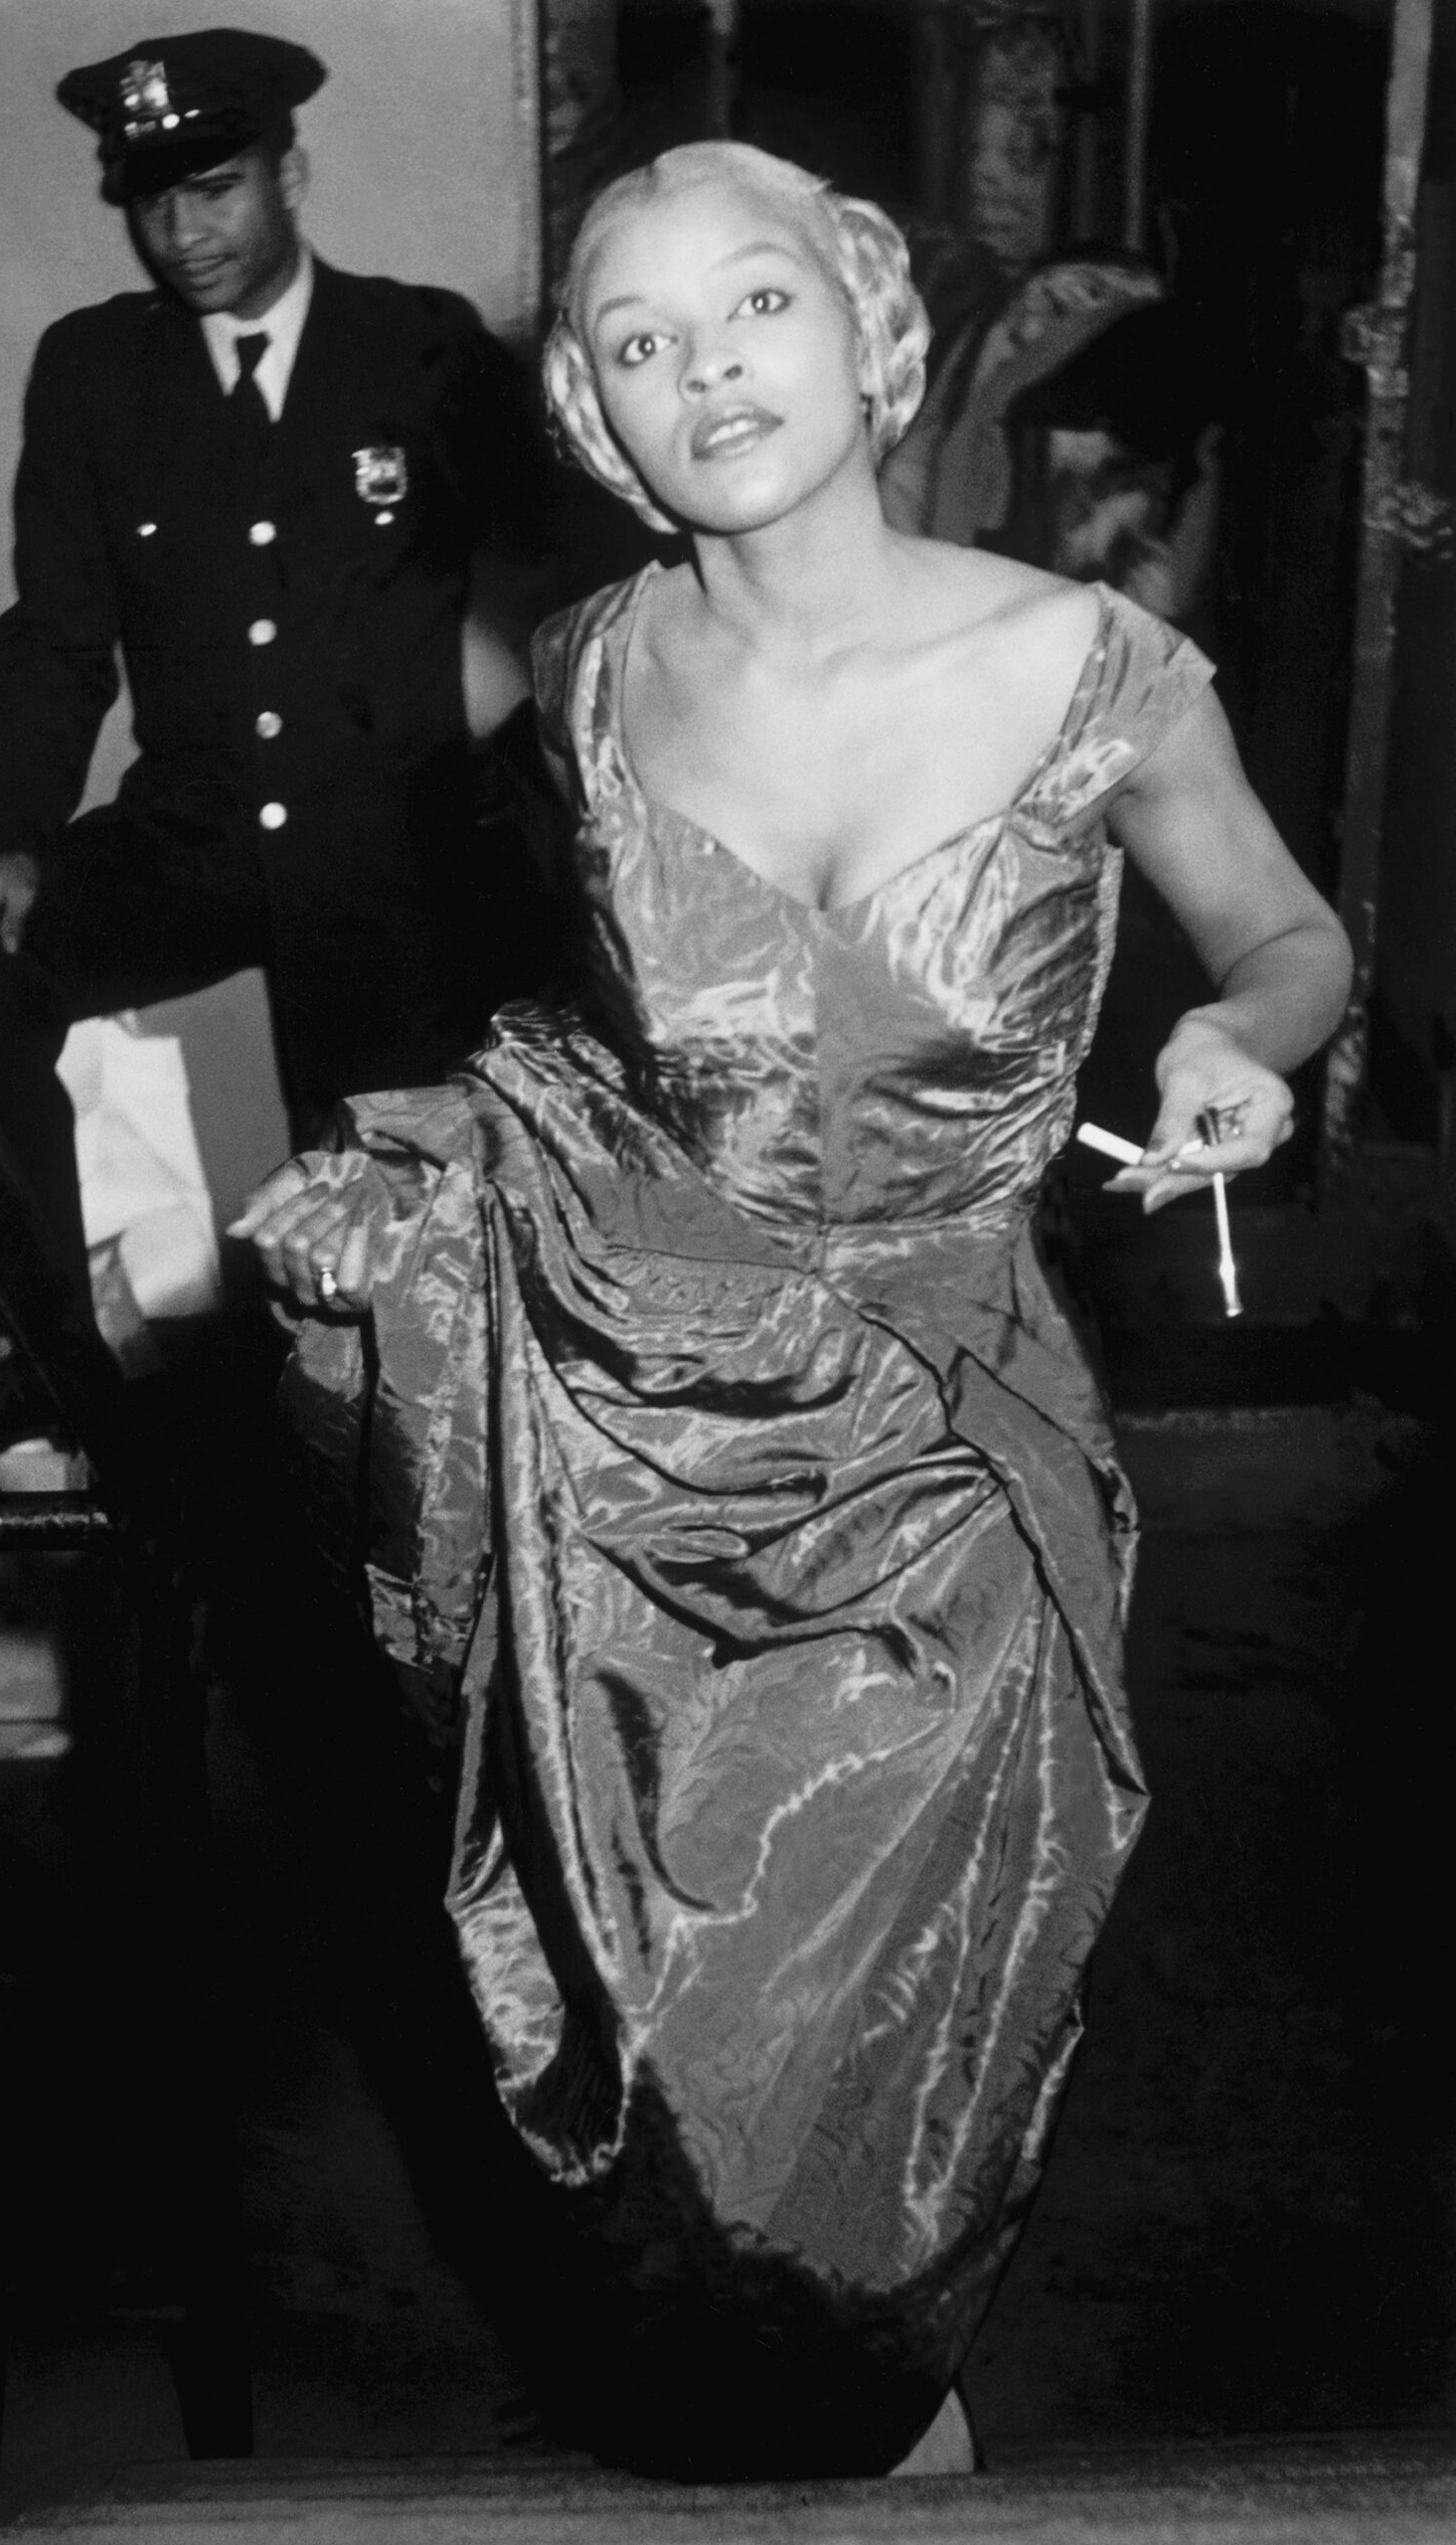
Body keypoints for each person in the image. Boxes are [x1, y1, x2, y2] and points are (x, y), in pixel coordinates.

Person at [236, 143, 1352, 2478]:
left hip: (950, 1460)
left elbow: (1291, 932)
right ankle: (804, 2441)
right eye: (636, 343)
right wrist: (424, 1188)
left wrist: (1246, 1036)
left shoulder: (1085, 664)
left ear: (869, 331)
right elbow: (602, 1050)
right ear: (591, 415)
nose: (701, 369)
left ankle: (867, 2419)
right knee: (669, 2085)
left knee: (881, 2097)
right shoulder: (596, 670)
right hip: (645, 1449)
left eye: (751, 307)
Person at [0, 27, 549, 1480]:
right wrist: (7, 833)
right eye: (151, 200)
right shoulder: (95, 372)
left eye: (219, 189)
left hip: (394, 856)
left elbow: (563, 581)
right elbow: (56, 636)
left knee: (385, 1180)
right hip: (196, 833)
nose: (185, 233)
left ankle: (422, 1446)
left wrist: (512, 798)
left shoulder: (421, 348)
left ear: (289, 172)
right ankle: (40, 1362)